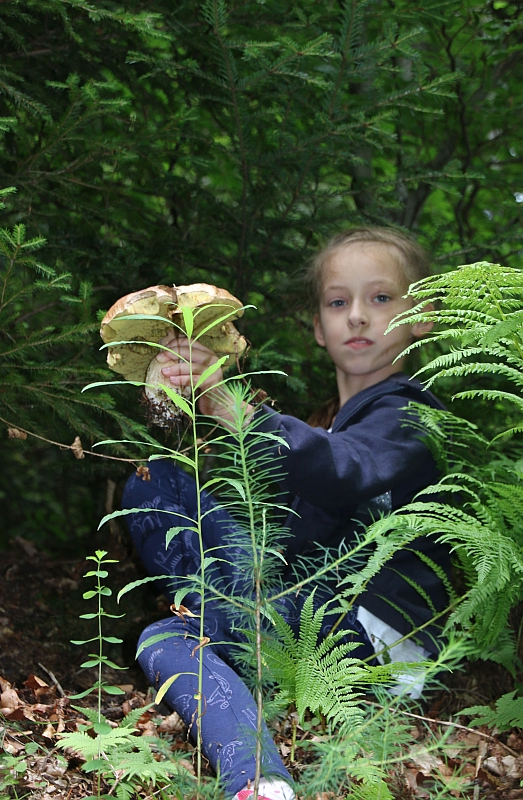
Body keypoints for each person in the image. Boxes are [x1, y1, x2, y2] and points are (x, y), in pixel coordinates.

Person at [122, 227, 450, 800]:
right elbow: (291, 537)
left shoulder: (410, 415)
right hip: (318, 608)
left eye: (380, 298)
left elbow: (346, 468)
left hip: (374, 635)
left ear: (419, 317)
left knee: (167, 639)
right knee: (158, 483)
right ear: (319, 328)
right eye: (338, 302)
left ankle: (256, 776)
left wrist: (233, 408)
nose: (357, 317)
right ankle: (218, 621)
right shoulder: (335, 426)